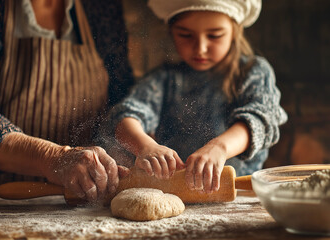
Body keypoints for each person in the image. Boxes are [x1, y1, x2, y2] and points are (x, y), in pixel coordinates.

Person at [0, 0, 134, 202]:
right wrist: (56, 158)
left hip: (83, 202)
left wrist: (127, 145)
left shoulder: (101, 5)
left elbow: (121, 97)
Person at [97, 0, 287, 193]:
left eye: (214, 35)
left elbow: (260, 121)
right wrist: (145, 146)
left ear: (234, 32)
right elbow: (124, 118)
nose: (200, 48)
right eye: (185, 35)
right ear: (171, 32)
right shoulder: (165, 79)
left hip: (240, 195)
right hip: (176, 195)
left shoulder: (253, 72)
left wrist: (219, 148)